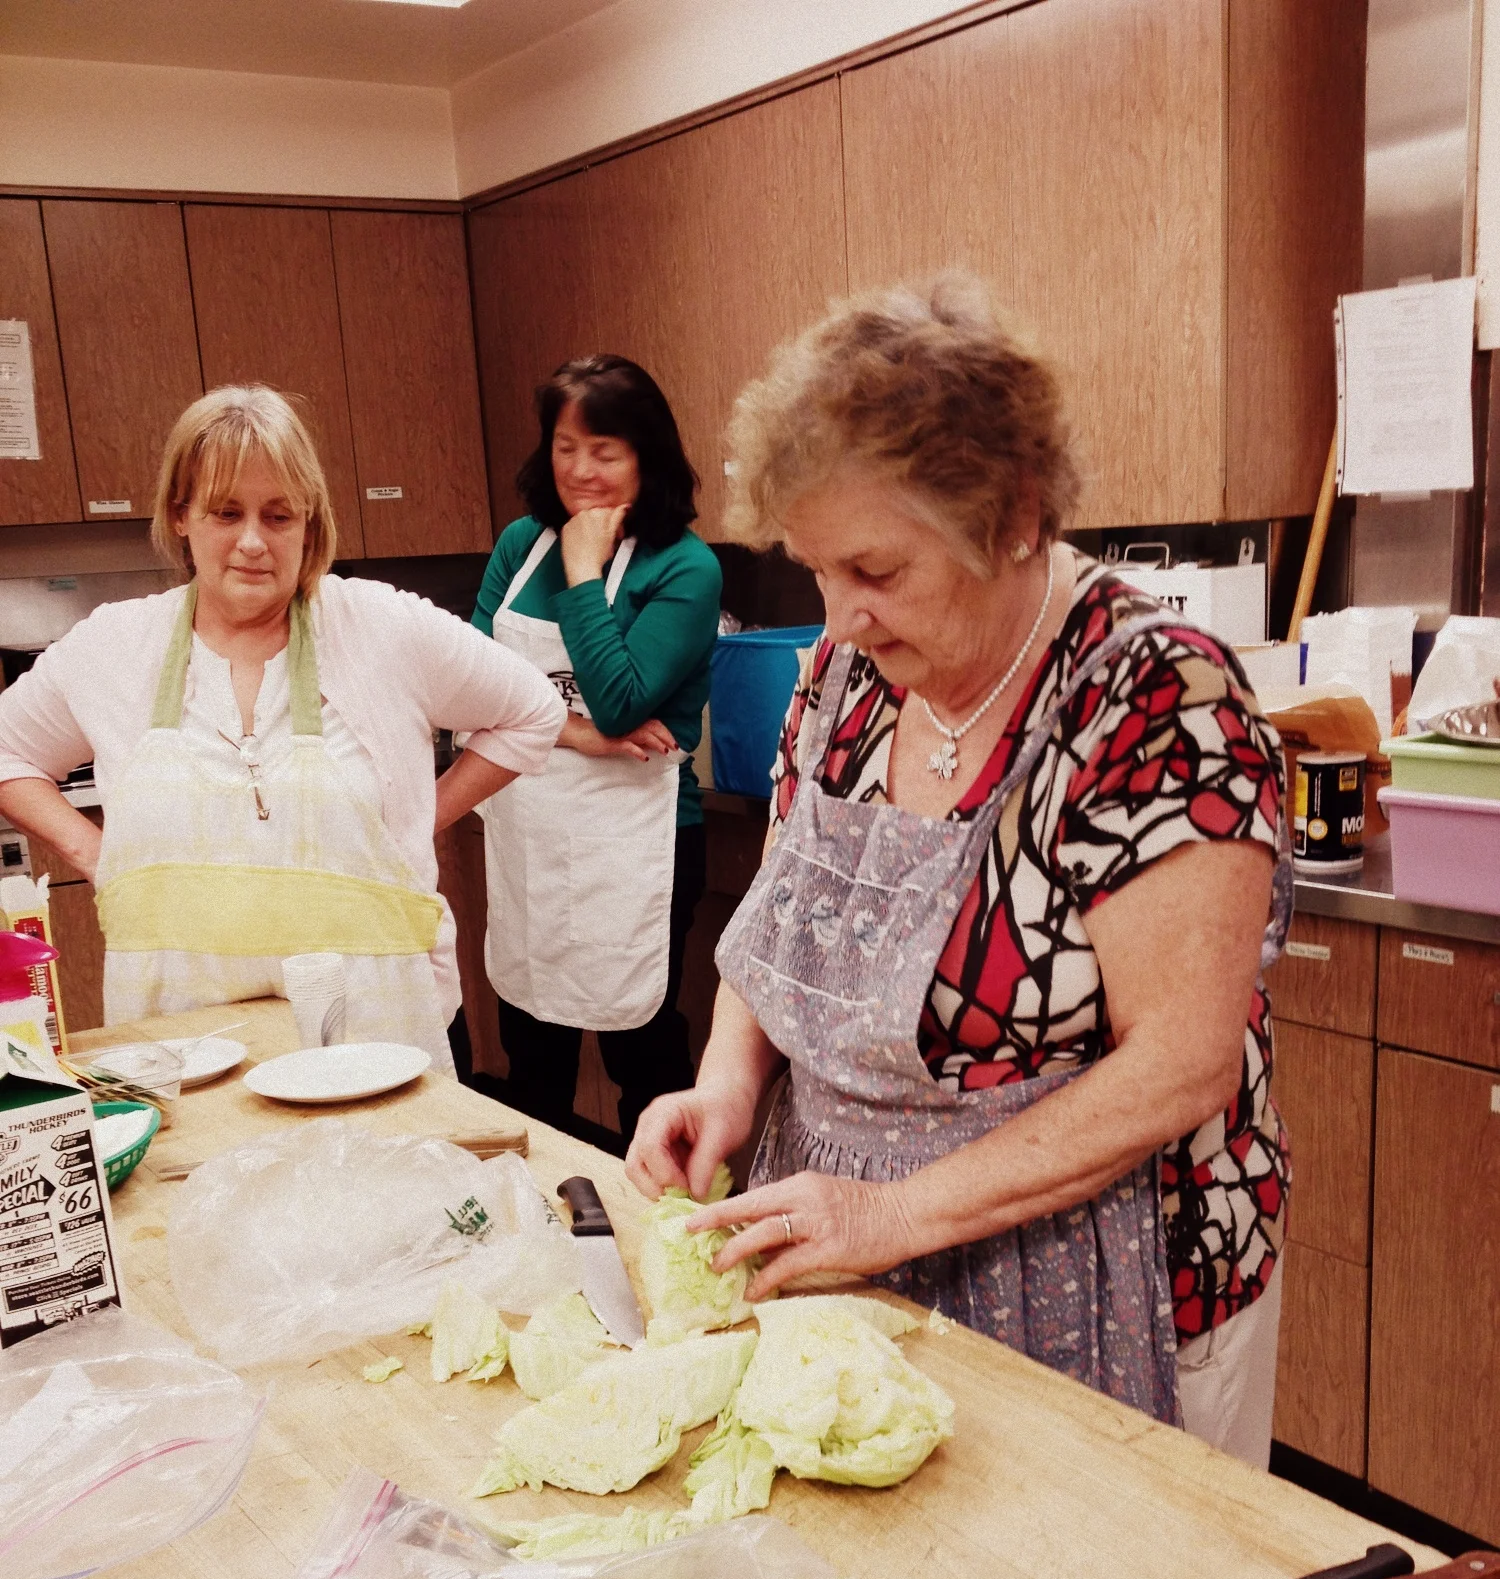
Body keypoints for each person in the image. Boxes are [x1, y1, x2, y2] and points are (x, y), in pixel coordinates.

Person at [627, 279, 1292, 1467]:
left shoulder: (1153, 697)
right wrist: (727, 1086)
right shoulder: (842, 680)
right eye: (815, 570)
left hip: (1104, 1273)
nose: (842, 616)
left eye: (876, 568)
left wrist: (890, 1213)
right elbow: (786, 925)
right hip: (843, 1260)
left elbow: (1183, 1065)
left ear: (1016, 515)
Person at [0, 386, 564, 1068]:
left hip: (375, 1041)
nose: (252, 543)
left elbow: (534, 711)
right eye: (226, 512)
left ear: (309, 522)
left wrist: (420, 819)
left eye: (278, 516)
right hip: (183, 1051)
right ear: (181, 514)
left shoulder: (382, 628)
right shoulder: (116, 647)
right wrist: (94, 853)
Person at [472, 355, 722, 1141]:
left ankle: (681, 1229)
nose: (581, 470)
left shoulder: (686, 567)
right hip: (531, 845)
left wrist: (585, 569)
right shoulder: (521, 544)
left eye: (605, 451)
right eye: (565, 446)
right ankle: (542, 1229)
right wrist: (576, 731)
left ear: (648, 454)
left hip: (638, 847)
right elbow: (468, 691)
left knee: (640, 1051)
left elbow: (622, 699)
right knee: (531, 1052)